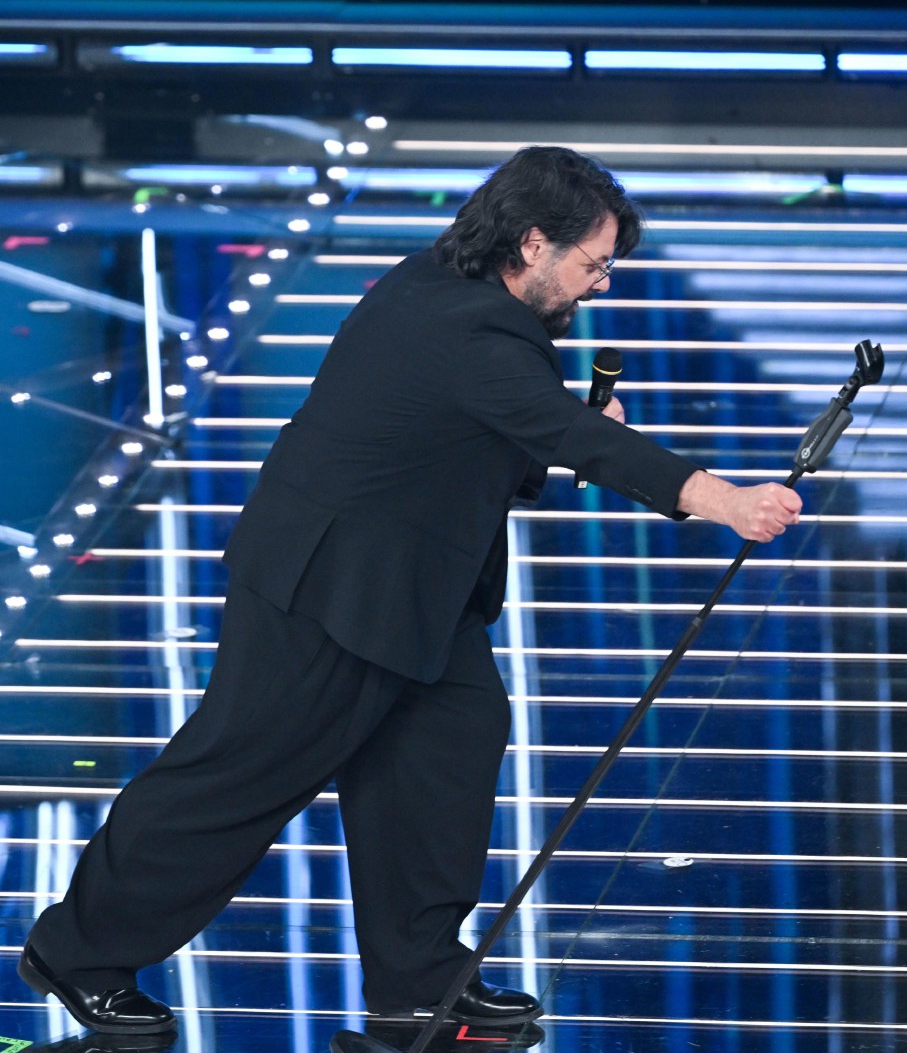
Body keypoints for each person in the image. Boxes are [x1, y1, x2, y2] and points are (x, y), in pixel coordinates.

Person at [19, 146, 801, 1035]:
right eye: (594, 265)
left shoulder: (449, 293)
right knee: (237, 778)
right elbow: (555, 432)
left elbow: (478, 434)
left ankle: (419, 977)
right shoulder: (474, 326)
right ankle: (76, 951)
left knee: (445, 752)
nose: (600, 287)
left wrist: (565, 425)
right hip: (328, 591)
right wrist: (721, 499)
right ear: (533, 242)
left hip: (411, 595)